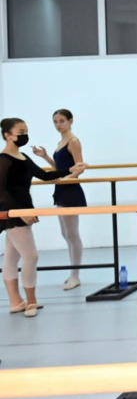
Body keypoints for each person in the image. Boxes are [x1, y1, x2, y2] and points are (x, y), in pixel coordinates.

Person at [1, 118, 85, 317]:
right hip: (13, 212)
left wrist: (70, 170)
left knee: (12, 255)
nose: (25, 135)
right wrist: (20, 212)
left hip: (22, 210)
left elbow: (44, 175)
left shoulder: (22, 157)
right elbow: (1, 190)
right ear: (8, 135)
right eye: (21, 132)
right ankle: (31, 301)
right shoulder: (3, 159)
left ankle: (16, 302)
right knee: (31, 255)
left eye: (26, 131)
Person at [31, 109, 87, 291]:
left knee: (72, 234)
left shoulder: (73, 141)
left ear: (71, 121)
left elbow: (79, 168)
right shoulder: (60, 142)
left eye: (62, 121)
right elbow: (62, 168)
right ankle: (73, 273)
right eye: (55, 121)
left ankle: (75, 276)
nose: (58, 125)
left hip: (70, 190)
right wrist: (45, 157)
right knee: (65, 233)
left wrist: (65, 180)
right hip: (61, 189)